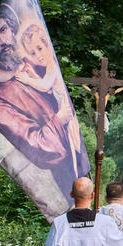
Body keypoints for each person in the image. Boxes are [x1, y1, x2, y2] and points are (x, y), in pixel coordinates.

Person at [0, 7, 86, 202]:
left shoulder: (35, 64)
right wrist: (60, 118)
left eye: (4, 30)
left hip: (77, 156)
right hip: (63, 180)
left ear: (13, 31)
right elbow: (41, 146)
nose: (3, 41)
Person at [16, 23, 82, 177]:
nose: (38, 55)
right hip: (63, 116)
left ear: (47, 45)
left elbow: (45, 86)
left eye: (39, 48)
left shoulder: (52, 65)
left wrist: (27, 79)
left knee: (73, 149)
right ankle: (75, 177)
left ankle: (76, 177)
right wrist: (33, 75)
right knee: (70, 148)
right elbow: (48, 85)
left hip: (68, 116)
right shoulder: (48, 69)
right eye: (32, 53)